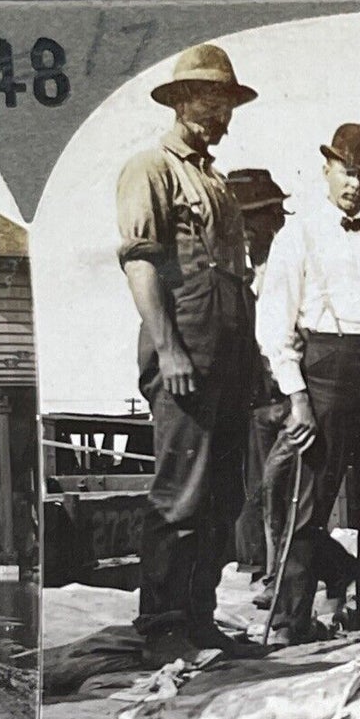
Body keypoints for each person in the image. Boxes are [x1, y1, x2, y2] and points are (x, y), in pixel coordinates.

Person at [256, 122, 360, 644]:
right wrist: (298, 397)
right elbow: (274, 324)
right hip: (325, 371)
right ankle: (292, 620)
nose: (356, 184)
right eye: (347, 172)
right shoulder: (299, 235)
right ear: (328, 170)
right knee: (310, 504)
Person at [116, 43, 258, 661]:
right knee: (180, 493)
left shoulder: (217, 183)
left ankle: (199, 616)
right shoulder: (151, 169)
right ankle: (163, 625)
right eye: (210, 100)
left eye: (227, 102)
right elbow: (142, 264)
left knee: (223, 494)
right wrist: (170, 349)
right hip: (185, 357)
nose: (222, 114)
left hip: (227, 357)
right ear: (181, 102)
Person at [226, 168, 290, 586]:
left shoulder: (288, 269)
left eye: (257, 219)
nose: (248, 230)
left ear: (276, 219)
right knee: (256, 495)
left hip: (288, 399)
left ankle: (284, 576)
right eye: (240, 221)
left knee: (283, 493)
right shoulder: (239, 279)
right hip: (253, 402)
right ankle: (266, 572)